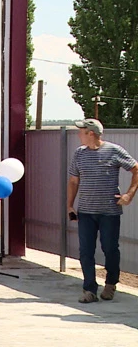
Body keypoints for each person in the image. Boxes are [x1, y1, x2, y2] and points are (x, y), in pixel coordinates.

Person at [67, 118, 138, 303]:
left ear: (91, 133)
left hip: (109, 212)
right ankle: (89, 290)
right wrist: (69, 205)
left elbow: (136, 169)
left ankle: (111, 283)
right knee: (85, 251)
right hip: (86, 212)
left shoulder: (114, 151)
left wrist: (129, 195)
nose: (78, 134)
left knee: (110, 249)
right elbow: (74, 181)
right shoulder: (79, 154)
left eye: (81, 131)